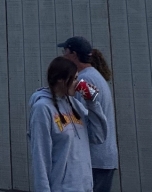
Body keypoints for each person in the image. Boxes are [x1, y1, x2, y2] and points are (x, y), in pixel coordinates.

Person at [28, 56, 108, 192]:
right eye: (75, 78)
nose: (78, 83)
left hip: (84, 187)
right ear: (61, 79)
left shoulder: (75, 105)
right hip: (62, 187)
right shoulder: (42, 108)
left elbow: (98, 136)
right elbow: (41, 158)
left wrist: (92, 103)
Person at [60, 37, 117, 192]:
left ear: (73, 54)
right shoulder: (94, 76)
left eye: (64, 51)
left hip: (93, 159)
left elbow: (80, 120)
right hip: (101, 157)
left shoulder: (84, 80)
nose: (63, 56)